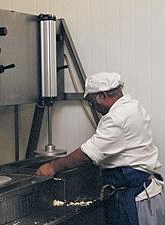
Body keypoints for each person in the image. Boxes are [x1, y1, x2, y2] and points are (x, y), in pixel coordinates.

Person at [36, 72, 165, 225]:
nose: (93, 106)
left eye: (92, 101)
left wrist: (52, 166)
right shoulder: (132, 106)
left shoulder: (117, 117)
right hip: (142, 192)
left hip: (132, 198)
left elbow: (87, 154)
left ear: (103, 96)